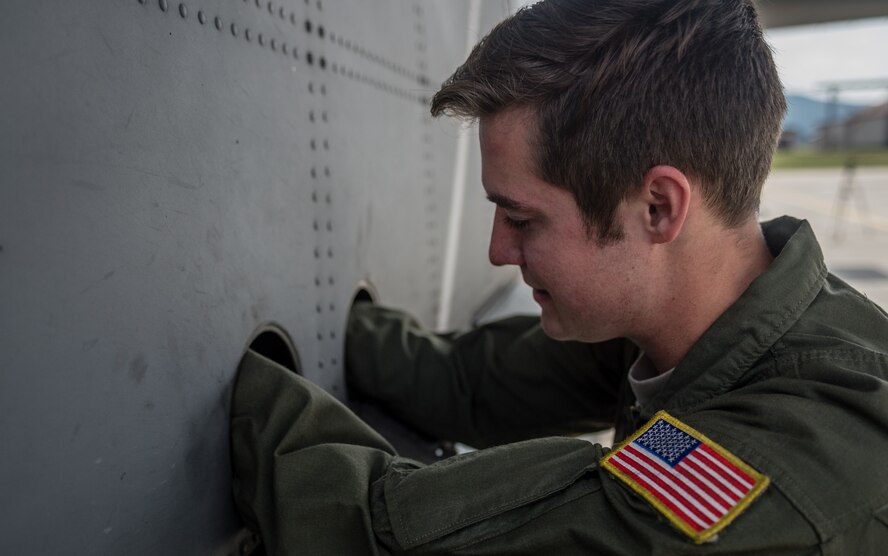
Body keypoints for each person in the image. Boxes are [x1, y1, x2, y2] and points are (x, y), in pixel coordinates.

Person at [230, 0, 888, 553]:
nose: (497, 250)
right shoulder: (691, 314)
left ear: (657, 208)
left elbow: (385, 534)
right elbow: (472, 385)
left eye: (521, 219)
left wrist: (229, 394)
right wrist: (353, 331)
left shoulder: (772, 476)